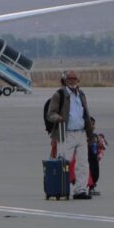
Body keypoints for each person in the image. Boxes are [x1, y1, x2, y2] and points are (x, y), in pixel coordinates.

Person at [46, 71, 94, 200]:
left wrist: (90, 133)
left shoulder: (81, 94)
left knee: (83, 164)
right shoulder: (59, 94)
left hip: (81, 133)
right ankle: (60, 188)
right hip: (65, 134)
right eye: (70, 79)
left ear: (78, 80)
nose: (72, 81)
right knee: (63, 163)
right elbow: (50, 114)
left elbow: (86, 113)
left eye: (75, 79)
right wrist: (58, 118)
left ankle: (80, 191)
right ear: (65, 80)